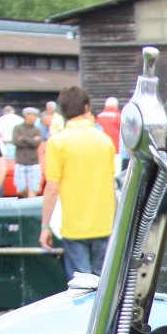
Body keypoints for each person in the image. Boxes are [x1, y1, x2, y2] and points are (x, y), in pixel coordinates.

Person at [38, 85, 117, 281]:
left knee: (80, 286)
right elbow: (111, 182)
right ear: (86, 107)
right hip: (104, 223)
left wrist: (45, 226)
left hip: (74, 225)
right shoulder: (104, 141)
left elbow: (51, 189)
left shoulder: (57, 142)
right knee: (104, 284)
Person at [12, 107, 45, 198]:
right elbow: (16, 142)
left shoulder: (37, 130)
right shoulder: (17, 128)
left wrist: (23, 138)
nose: (34, 118)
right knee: (21, 188)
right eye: (32, 115)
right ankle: (26, 199)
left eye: (35, 116)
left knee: (34, 188)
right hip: (20, 162)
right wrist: (31, 140)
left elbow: (36, 143)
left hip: (34, 162)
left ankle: (30, 202)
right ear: (26, 116)